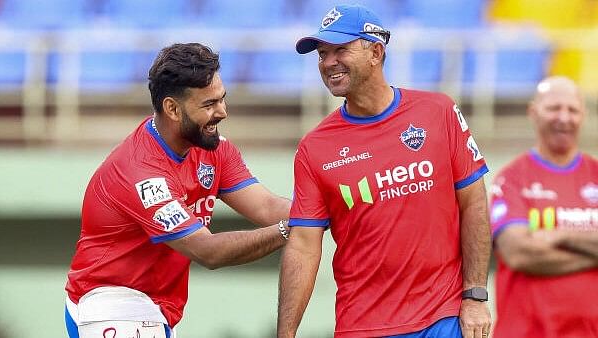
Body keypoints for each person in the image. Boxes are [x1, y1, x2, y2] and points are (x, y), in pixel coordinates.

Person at [277, 4, 492, 338]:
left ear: (375, 52)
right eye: (322, 54)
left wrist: (475, 295)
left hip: (443, 318)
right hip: (363, 326)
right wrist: (285, 334)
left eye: (340, 50)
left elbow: (474, 203)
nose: (328, 62)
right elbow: (304, 245)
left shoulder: (439, 112)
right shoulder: (313, 147)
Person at [64, 42, 292, 338]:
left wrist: (330, 205)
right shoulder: (142, 173)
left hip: (157, 309)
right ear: (172, 108)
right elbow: (209, 252)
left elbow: (267, 207)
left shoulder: (214, 148)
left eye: (222, 99)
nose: (222, 112)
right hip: (109, 304)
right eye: (209, 104)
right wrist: (292, 228)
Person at [489, 76, 598, 337]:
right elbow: (519, 254)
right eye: (553, 108)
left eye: (572, 109)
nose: (564, 117)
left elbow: (534, 251)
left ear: (583, 115)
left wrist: (560, 235)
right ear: (533, 112)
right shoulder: (512, 179)